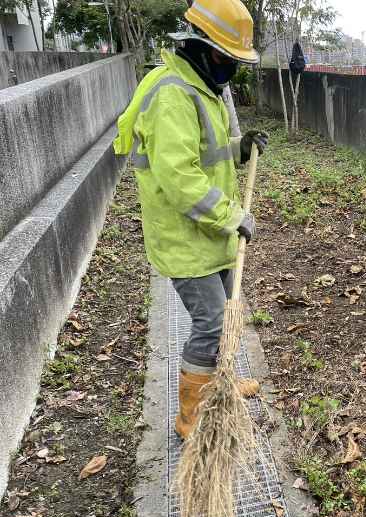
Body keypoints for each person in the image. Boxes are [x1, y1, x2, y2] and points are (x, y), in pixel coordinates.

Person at [113, 0, 268, 439]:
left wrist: (240, 147)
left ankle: (221, 386)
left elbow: (207, 151)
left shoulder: (200, 86)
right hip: (187, 238)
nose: (229, 69)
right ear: (200, 47)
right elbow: (180, 178)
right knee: (213, 324)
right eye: (225, 58)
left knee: (226, 318)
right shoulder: (172, 95)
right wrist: (232, 217)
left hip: (209, 236)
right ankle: (192, 414)